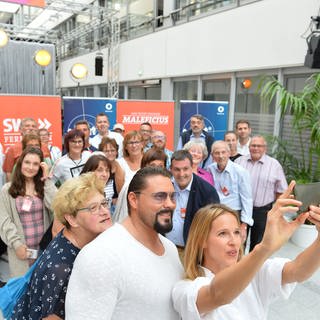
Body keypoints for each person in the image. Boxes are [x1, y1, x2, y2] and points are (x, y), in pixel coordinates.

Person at [172, 182, 320, 320]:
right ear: (201, 240)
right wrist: (263, 249)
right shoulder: (185, 289)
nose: (233, 241)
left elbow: (298, 271)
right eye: (222, 233)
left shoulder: (256, 270)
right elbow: (217, 294)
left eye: (236, 232)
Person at [65, 167, 183, 319]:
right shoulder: (101, 256)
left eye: (172, 197)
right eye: (160, 197)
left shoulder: (170, 248)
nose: (170, 204)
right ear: (134, 200)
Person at [11, 173, 113, 320]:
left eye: (104, 203)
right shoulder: (61, 269)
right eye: (93, 208)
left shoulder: (73, 238)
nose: (104, 211)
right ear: (71, 219)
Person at [0, 147, 56, 277]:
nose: (30, 167)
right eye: (27, 162)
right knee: (22, 289)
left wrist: (46, 178)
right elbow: (4, 220)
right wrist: (16, 245)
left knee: (41, 287)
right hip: (20, 251)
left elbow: (55, 206)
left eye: (35, 164)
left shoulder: (43, 186)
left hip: (44, 250)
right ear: (20, 163)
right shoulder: (7, 189)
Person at [235, 135, 287, 251]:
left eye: (259, 146)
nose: (256, 148)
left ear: (265, 148)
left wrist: (277, 211)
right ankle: (237, 267)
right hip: (240, 209)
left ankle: (253, 268)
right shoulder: (239, 162)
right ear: (249, 147)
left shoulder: (274, 165)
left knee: (258, 245)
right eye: (253, 145)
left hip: (262, 211)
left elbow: (281, 190)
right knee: (237, 242)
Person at [166, 150, 219, 249]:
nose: (181, 174)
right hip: (166, 247)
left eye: (185, 169)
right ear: (170, 169)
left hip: (191, 251)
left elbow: (214, 224)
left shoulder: (207, 192)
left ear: (192, 168)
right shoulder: (165, 186)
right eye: (177, 169)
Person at [207, 141, 253, 241]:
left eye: (223, 152)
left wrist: (244, 225)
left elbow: (247, 199)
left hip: (234, 213)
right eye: (217, 153)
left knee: (235, 245)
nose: (220, 156)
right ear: (212, 155)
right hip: (216, 213)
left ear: (229, 153)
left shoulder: (240, 172)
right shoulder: (210, 169)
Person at [113, 148, 168, 223]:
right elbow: (125, 216)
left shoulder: (166, 187)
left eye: (160, 166)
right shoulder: (133, 186)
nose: (156, 170)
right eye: (152, 165)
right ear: (144, 166)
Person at [2, 117, 48, 182]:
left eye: (33, 126)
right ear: (20, 130)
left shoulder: (45, 148)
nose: (31, 128)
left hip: (41, 185)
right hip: (20, 186)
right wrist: (12, 190)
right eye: (27, 126)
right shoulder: (12, 149)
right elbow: (8, 173)